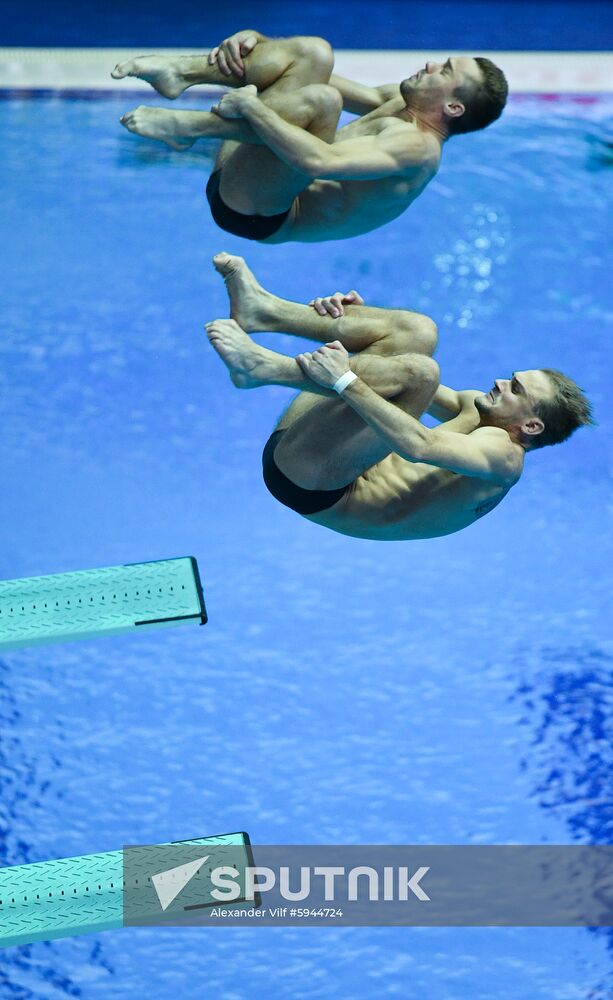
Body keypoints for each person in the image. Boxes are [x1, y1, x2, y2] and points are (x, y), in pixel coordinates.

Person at [205, 253, 593, 541]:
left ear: (530, 425)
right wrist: (358, 331)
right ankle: (264, 311)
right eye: (511, 378)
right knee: (417, 333)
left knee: (421, 373)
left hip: (316, 485)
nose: (499, 382)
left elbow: (418, 445)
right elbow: (391, 370)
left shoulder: (502, 457)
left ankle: (264, 369)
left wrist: (346, 379)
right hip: (316, 451)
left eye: (515, 389)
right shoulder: (478, 409)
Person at [113, 30, 508, 244]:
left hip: (258, 211)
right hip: (252, 171)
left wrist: (252, 107)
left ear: (453, 107)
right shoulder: (396, 101)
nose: (431, 63)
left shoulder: (416, 149)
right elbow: (290, 69)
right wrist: (255, 44)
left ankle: (192, 128)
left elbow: (319, 162)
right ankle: (182, 72)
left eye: (445, 70)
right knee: (314, 53)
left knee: (321, 101)